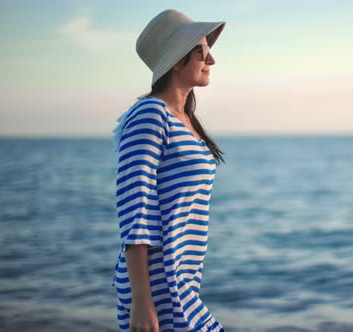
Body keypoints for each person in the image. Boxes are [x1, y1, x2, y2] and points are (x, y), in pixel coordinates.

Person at [110, 9, 227, 332]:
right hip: (159, 282)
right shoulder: (150, 115)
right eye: (202, 50)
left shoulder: (186, 120)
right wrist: (142, 302)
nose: (211, 60)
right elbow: (136, 210)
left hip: (181, 280)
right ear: (178, 60)